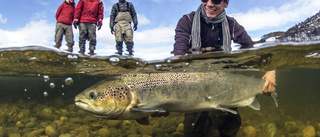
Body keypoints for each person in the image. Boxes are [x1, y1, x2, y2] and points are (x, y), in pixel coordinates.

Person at [171, 0, 276, 136]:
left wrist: (271, 71)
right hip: (196, 89)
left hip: (227, 86)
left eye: (215, 0)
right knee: (195, 131)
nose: (209, 4)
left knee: (231, 127)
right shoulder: (187, 21)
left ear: (225, 3)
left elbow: (252, 52)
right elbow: (179, 53)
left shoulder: (232, 25)